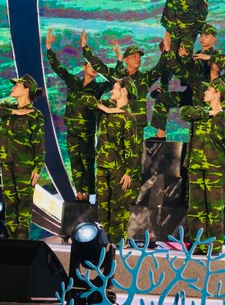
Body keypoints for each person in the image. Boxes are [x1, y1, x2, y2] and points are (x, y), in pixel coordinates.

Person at [83, 33, 170, 191]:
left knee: (134, 159)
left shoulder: (144, 78)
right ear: (126, 59)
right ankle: (116, 191)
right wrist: (85, 49)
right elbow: (99, 66)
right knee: (117, 157)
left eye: (139, 57)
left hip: (136, 124)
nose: (138, 59)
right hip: (118, 123)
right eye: (134, 56)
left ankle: (133, 194)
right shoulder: (119, 78)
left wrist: (167, 50)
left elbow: (160, 67)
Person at [46, 29, 114, 201]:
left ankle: (89, 193)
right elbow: (58, 68)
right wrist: (49, 49)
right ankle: (79, 192)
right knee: (75, 160)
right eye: (90, 65)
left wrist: (87, 51)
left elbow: (114, 80)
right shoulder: (74, 81)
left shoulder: (99, 87)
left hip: (87, 130)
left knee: (87, 161)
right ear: (84, 67)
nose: (93, 69)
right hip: (72, 129)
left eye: (95, 67)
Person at [180, 78, 225, 254]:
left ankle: (214, 246)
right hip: (196, 168)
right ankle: (199, 244)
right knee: (196, 208)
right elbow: (184, 112)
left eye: (209, 90)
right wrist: (207, 113)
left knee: (214, 210)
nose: (205, 92)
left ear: (217, 94)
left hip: (216, 171)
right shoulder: (199, 114)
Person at [151, 23, 225, 140]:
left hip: (204, 95)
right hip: (192, 91)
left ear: (214, 39)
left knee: (203, 124)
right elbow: (189, 71)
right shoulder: (198, 53)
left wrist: (210, 58)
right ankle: (160, 135)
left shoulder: (216, 54)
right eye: (201, 36)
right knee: (163, 98)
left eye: (206, 36)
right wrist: (185, 58)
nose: (202, 38)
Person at [81, 77, 138, 246]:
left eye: (115, 88)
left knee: (118, 208)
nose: (112, 91)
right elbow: (84, 98)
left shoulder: (128, 117)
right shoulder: (106, 107)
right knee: (102, 207)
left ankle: (117, 244)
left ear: (124, 91)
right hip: (102, 166)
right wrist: (104, 108)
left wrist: (129, 172)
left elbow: (131, 148)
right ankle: (102, 243)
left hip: (119, 169)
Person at [0, 74, 45, 240]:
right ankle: (12, 237)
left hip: (24, 164)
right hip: (6, 162)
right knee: (10, 201)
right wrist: (14, 111)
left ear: (26, 90)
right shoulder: (7, 108)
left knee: (24, 202)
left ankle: (22, 238)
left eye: (17, 85)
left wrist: (38, 167)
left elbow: (39, 143)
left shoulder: (35, 115)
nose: (13, 88)